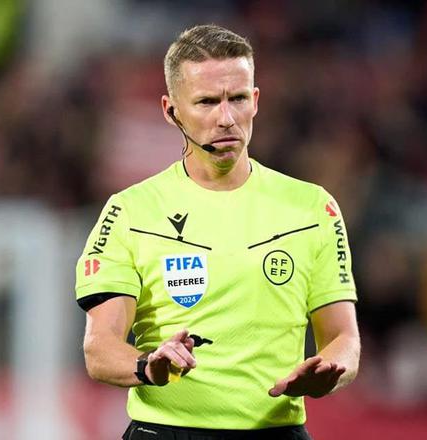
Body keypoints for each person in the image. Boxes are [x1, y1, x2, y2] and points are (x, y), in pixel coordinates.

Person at [75, 24, 360, 440]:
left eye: (237, 98)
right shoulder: (130, 212)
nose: (226, 118)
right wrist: (148, 366)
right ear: (171, 110)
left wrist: (330, 372)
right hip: (166, 432)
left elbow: (344, 337)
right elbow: (99, 348)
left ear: (255, 101)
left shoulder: (313, 208)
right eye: (207, 102)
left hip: (277, 431)